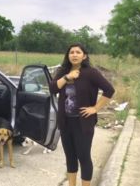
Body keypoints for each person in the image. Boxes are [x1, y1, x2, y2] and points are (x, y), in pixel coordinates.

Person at [49, 43, 115, 186]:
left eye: (78, 52)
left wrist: (95, 108)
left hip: (83, 123)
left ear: (84, 56)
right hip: (65, 122)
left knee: (84, 157)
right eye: (71, 52)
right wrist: (68, 77)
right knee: (70, 157)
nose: (74, 54)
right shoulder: (63, 71)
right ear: (68, 55)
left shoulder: (91, 72)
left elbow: (109, 90)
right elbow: (53, 88)